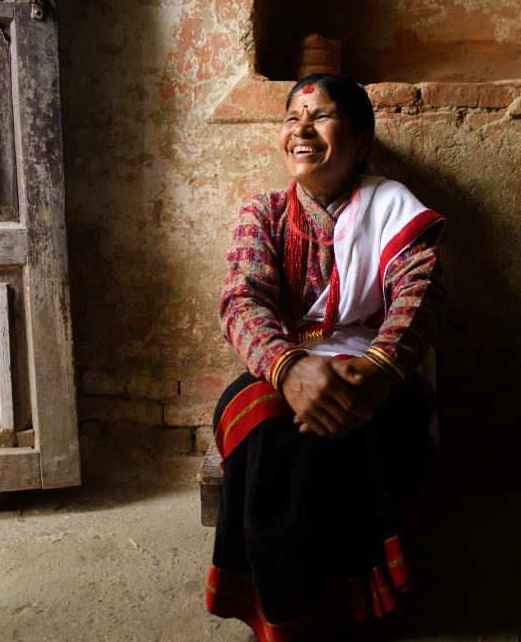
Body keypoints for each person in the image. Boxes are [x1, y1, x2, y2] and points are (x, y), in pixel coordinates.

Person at [206, 74, 447, 641]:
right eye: (293, 117)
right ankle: (287, 606)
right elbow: (242, 301)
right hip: (282, 362)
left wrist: (375, 373)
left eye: (320, 116)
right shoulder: (263, 215)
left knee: (358, 422)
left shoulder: (394, 209)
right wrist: (290, 369)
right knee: (266, 424)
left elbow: (423, 292)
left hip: (377, 370)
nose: (301, 130)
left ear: (362, 143)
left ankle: (355, 595)